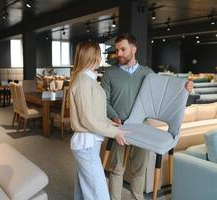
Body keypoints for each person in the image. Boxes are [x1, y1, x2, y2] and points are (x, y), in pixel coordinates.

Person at [101, 33, 193, 200]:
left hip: (142, 128)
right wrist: (114, 117)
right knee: (116, 170)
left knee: (139, 170)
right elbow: (104, 102)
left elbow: (165, 94)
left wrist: (184, 88)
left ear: (134, 49)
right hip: (119, 128)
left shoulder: (148, 73)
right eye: (117, 50)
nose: (119, 54)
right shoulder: (110, 74)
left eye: (123, 49)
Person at [69, 41, 129, 200]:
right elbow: (87, 118)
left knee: (83, 190)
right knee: (99, 194)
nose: (100, 58)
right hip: (86, 144)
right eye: (98, 54)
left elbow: (94, 113)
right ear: (92, 57)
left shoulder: (88, 79)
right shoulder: (83, 81)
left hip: (88, 143)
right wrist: (114, 132)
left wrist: (111, 124)